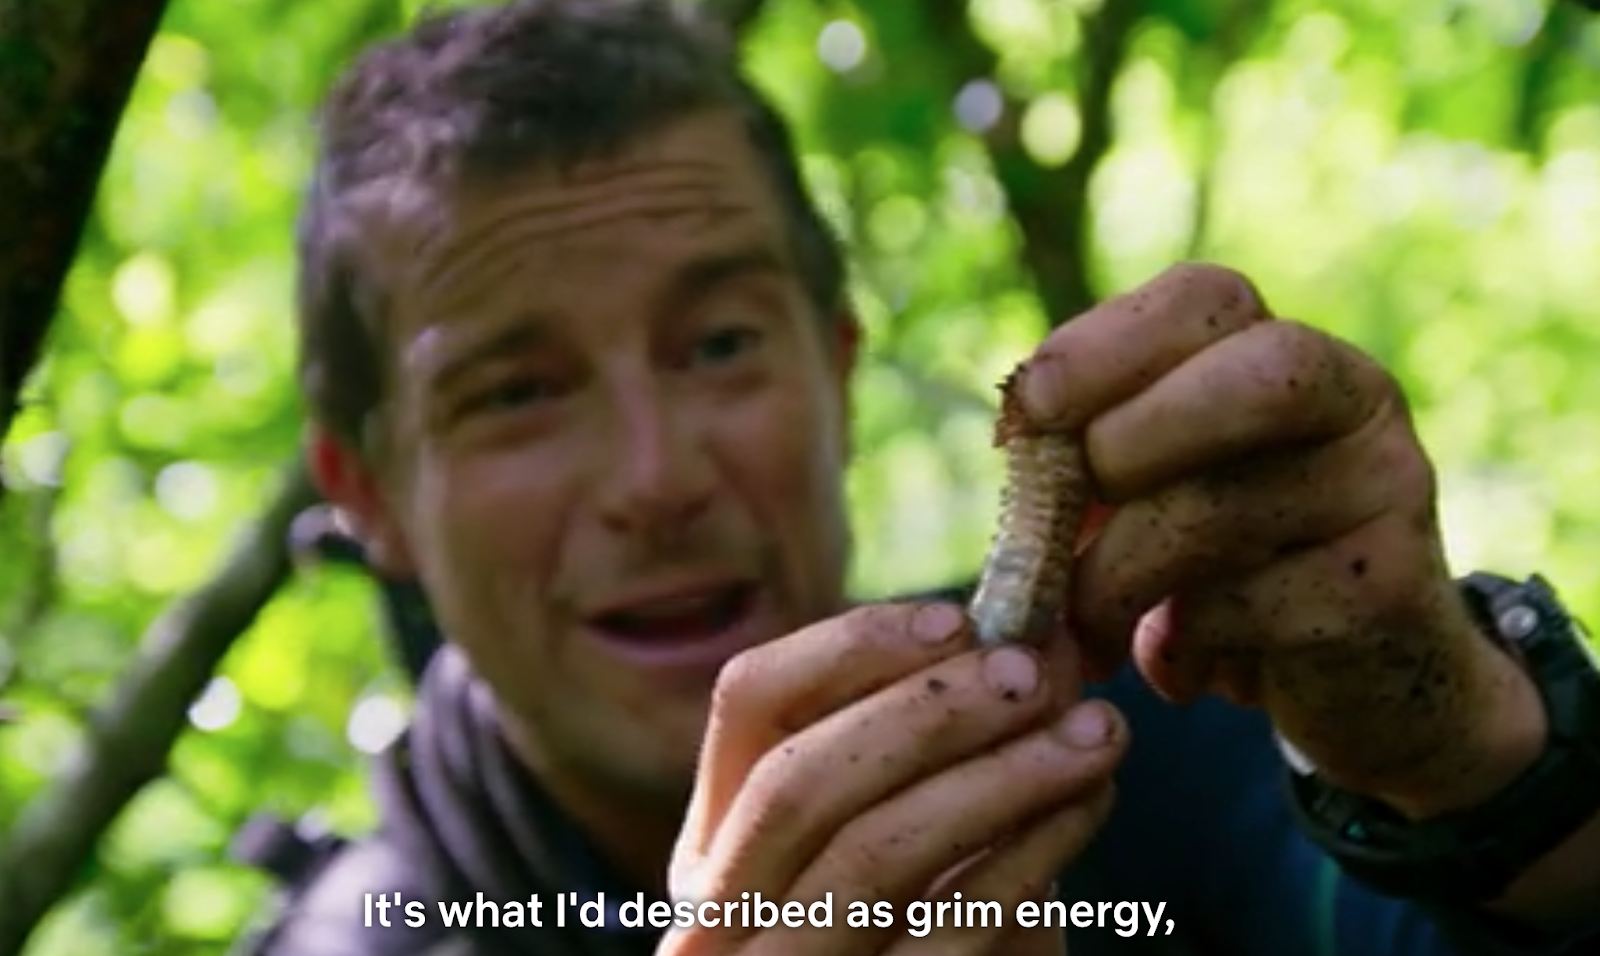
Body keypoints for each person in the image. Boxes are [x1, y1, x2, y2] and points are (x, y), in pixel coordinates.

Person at [245, 1, 1600, 953]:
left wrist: (1472, 768)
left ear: (836, 373)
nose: (655, 480)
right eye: (516, 393)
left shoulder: (1149, 731)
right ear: (366, 495)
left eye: (720, 343)